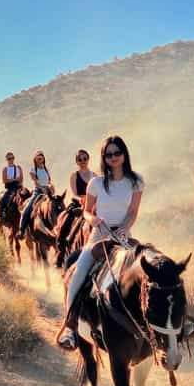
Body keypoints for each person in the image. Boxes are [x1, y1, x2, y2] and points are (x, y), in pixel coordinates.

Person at [59, 135, 144, 350]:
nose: (113, 157)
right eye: (109, 155)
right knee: (78, 273)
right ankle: (70, 326)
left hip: (124, 237)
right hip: (99, 236)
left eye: (117, 153)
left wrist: (124, 228)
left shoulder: (135, 181)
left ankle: (166, 326)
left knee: (150, 269)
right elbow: (87, 211)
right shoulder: (96, 183)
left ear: (124, 154)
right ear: (103, 158)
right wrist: (93, 219)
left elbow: (133, 212)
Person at [55, 150, 96, 268]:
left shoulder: (95, 176)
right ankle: (61, 253)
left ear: (88, 159)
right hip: (78, 204)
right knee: (65, 223)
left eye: (84, 158)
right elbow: (73, 193)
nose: (83, 161)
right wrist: (81, 199)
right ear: (76, 162)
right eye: (80, 159)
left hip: (92, 205)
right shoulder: (74, 175)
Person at [17, 150, 53, 239]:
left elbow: (49, 182)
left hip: (48, 191)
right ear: (35, 159)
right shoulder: (33, 169)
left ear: (44, 158)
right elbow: (36, 182)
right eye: (38, 156)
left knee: (58, 205)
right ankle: (21, 230)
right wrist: (42, 188)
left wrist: (51, 187)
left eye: (41, 156)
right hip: (39, 191)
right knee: (28, 208)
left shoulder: (46, 170)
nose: (40, 157)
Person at [0, 152, 24, 223]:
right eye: (9, 159)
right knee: (2, 199)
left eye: (12, 158)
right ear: (6, 160)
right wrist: (14, 179)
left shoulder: (18, 167)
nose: (11, 160)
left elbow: (21, 179)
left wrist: (17, 182)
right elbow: (4, 180)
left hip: (19, 187)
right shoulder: (5, 169)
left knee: (27, 196)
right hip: (9, 188)